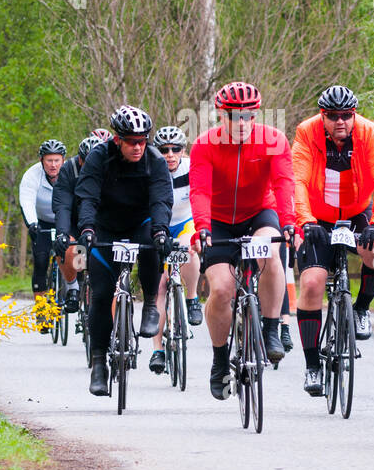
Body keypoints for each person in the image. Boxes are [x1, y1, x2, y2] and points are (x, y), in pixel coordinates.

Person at [189, 81, 296, 400]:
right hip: (218, 222)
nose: (242, 123)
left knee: (271, 252)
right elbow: (200, 191)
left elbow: (284, 183)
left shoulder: (274, 140)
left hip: (258, 213)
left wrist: (289, 223)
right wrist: (203, 227)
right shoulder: (204, 144)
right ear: (221, 116)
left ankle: (272, 329)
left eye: (249, 116)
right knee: (222, 289)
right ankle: (220, 360)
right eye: (235, 116)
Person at [291, 85, 374, 397]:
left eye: (346, 115)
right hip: (317, 217)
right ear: (322, 116)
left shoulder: (368, 132)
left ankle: (361, 308)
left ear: (354, 115)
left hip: (357, 211)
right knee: (311, 284)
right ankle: (311, 366)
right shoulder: (306, 132)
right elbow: (297, 180)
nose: (340, 122)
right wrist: (306, 221)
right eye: (332, 116)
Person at [75, 106, 173, 396]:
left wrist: (160, 230)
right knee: (102, 294)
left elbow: (160, 199)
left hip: (140, 223)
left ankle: (151, 305)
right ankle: (98, 364)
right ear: (117, 140)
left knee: (153, 245)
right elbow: (87, 197)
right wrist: (87, 229)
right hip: (105, 227)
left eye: (143, 140)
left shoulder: (154, 160)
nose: (138, 147)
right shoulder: (98, 157)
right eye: (131, 141)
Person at [147, 125, 204, 374]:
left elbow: (203, 196)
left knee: (189, 250)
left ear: (183, 150)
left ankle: (191, 297)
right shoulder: (149, 169)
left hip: (184, 223)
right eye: (164, 150)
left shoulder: (192, 168)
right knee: (159, 286)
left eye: (175, 149)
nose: (170, 154)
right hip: (157, 227)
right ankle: (158, 350)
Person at [51, 133, 107, 314]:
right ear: (80, 160)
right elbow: (63, 206)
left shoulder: (112, 169)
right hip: (74, 219)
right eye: (86, 161)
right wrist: (62, 233)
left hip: (102, 220)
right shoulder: (69, 169)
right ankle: (73, 285)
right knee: (70, 247)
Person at [20, 139, 67, 333]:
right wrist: (32, 224)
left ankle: (77, 291)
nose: (53, 165)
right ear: (41, 160)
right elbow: (27, 200)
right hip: (41, 221)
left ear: (63, 160)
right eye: (49, 160)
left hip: (65, 219)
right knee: (40, 260)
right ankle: (41, 309)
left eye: (57, 160)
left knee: (79, 255)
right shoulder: (32, 175)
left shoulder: (70, 173)